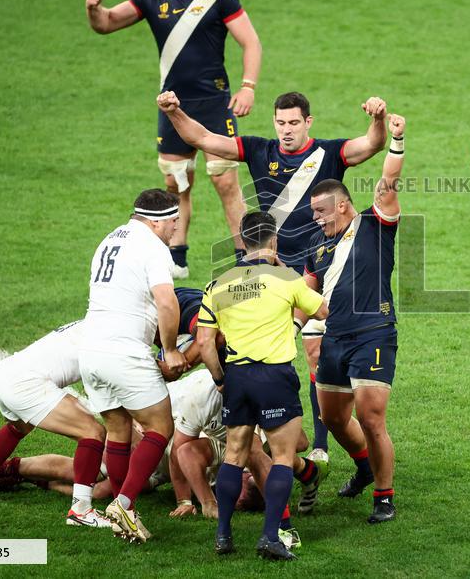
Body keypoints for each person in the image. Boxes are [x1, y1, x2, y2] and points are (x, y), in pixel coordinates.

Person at [157, 89, 387, 480]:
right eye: (280, 123)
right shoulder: (259, 150)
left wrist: (378, 119)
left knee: (313, 352)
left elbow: (372, 144)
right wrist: (175, 111)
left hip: (316, 272)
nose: (286, 130)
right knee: (240, 347)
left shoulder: (330, 152)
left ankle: (317, 445)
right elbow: (203, 138)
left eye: (294, 122)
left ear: (308, 122)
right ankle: (245, 436)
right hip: (266, 275)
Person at [85, 0, 262, 278]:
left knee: (225, 182)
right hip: (172, 106)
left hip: (213, 104)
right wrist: (93, 8)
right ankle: (176, 259)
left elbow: (251, 41)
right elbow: (106, 24)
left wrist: (248, 87)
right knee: (176, 183)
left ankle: (246, 260)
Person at [196, 211, 328, 561]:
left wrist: (220, 379)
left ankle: (223, 535)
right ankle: (270, 536)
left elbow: (205, 343)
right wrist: (287, 275)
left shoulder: (217, 285)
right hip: (274, 377)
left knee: (235, 455)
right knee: (283, 456)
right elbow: (322, 311)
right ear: (274, 241)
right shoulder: (286, 279)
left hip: (237, 378)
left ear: (241, 241)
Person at [303, 113, 406, 524]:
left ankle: (384, 496)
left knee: (370, 417)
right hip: (334, 339)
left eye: (321, 211)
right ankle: (365, 468)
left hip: (373, 333)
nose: (316, 218)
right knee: (332, 417)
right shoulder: (316, 246)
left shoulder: (375, 224)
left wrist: (396, 139)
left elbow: (389, 180)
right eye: (313, 212)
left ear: (343, 205)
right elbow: (305, 295)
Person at [78, 188, 189, 543]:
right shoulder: (153, 247)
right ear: (157, 222)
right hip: (123, 351)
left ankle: (123, 511)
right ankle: (124, 504)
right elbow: (167, 302)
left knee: (118, 428)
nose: (176, 228)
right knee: (160, 426)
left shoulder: (109, 239)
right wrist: (169, 349)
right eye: (174, 221)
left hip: (89, 349)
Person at [0, 319, 111, 529]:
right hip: (26, 384)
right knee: (92, 432)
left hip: (4, 372)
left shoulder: (93, 320)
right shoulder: (113, 333)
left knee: (20, 426)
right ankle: (81, 510)